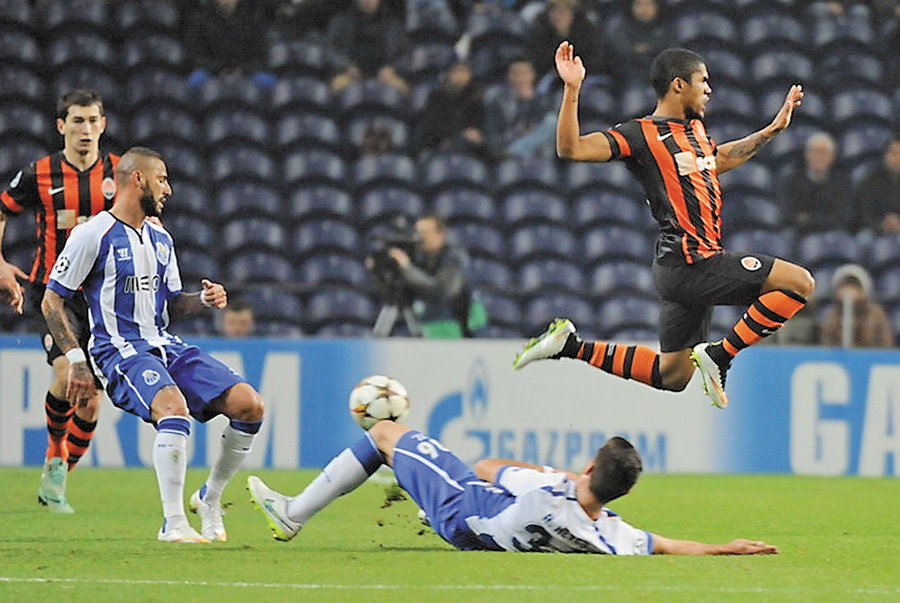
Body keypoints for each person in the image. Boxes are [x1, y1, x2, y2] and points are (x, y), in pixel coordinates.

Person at [513, 44, 815, 409]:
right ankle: (721, 355)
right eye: (702, 81)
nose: (709, 89)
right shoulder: (641, 134)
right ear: (677, 85)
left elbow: (716, 160)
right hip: (691, 262)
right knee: (799, 283)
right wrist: (573, 89)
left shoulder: (697, 132)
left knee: (673, 376)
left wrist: (770, 130)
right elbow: (571, 148)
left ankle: (570, 345)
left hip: (680, 268)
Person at [41, 147, 266, 543]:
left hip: (164, 343)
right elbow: (51, 299)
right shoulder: (92, 234)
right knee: (172, 410)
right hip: (118, 350)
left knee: (250, 405)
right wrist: (76, 359)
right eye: (162, 178)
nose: (169, 189)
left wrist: (203, 300)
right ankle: (173, 522)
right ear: (137, 179)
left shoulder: (161, 237)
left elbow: (172, 304)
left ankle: (209, 498)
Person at [247, 419, 778, 555]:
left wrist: (560, 476)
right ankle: (407, 490)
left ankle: (292, 513)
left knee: (386, 433)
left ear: (590, 470)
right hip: (481, 532)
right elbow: (663, 544)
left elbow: (486, 466)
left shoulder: (550, 492)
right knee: (411, 465)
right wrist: (723, 548)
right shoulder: (611, 536)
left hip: (460, 503)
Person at [0, 89, 118, 513]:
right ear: (61, 126)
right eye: (77, 121)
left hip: (103, 298)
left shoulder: (120, 174)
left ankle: (60, 477)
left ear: (103, 125)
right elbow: (1, 211)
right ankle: (54, 453)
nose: (85, 129)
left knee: (91, 399)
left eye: (92, 121)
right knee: (70, 369)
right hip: (54, 292)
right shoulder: (40, 173)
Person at [386, 214, 479, 338]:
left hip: (461, 329)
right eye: (417, 233)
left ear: (440, 234)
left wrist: (407, 269)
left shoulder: (454, 258)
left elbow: (444, 290)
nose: (419, 238)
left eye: (424, 233)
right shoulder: (421, 259)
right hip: (431, 328)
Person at [182, 0, 277, 89]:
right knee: (194, 81)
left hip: (246, 69)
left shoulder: (252, 20)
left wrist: (242, 70)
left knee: (269, 83)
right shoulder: (201, 20)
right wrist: (219, 69)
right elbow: (196, 54)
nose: (226, 2)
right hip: (211, 69)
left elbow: (260, 54)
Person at [326, 0, 410, 94]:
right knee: (335, 88)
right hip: (349, 75)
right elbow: (331, 51)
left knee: (403, 91)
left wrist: (392, 69)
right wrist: (346, 66)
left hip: (386, 77)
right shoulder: (341, 22)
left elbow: (407, 56)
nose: (368, 1)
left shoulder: (395, 26)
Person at [485, 57, 557, 160]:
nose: (520, 78)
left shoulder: (543, 101)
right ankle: (517, 152)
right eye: (515, 73)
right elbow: (492, 137)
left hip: (537, 152)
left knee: (552, 122)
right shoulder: (498, 102)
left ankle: (516, 152)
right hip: (509, 144)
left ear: (532, 75)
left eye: (524, 73)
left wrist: (532, 100)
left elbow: (546, 131)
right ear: (509, 77)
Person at [780, 132, 853, 233]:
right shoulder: (792, 181)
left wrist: (809, 219)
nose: (819, 157)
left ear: (832, 156)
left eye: (824, 152)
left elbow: (843, 215)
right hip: (800, 233)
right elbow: (789, 214)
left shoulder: (843, 183)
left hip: (834, 232)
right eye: (815, 152)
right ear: (807, 155)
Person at [417, 61, 486, 157]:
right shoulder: (436, 97)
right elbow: (433, 125)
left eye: (464, 72)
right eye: (457, 71)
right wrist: (461, 133)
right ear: (448, 74)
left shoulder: (476, 98)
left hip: (469, 148)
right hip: (439, 144)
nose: (460, 76)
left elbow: (479, 124)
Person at [820, 264, 894, 348]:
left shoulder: (877, 315)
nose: (850, 291)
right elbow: (827, 346)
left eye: (855, 287)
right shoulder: (832, 317)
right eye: (844, 286)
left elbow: (886, 345)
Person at [603, 0, 669, 86]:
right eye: (639, 5)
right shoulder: (621, 28)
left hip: (661, 79)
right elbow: (622, 55)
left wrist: (647, 48)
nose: (644, 9)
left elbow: (671, 56)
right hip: (629, 79)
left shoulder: (666, 29)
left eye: (648, 5)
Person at [855, 134, 900, 237]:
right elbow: (863, 213)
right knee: (864, 238)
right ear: (886, 155)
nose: (898, 158)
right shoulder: (869, 180)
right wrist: (881, 225)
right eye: (894, 153)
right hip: (875, 229)